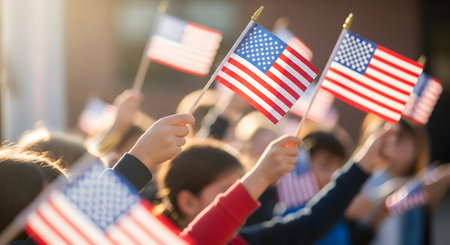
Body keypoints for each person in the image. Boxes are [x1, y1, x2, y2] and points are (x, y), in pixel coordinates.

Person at [346, 116, 430, 245]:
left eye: (409, 141)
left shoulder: (419, 184)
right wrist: (394, 190)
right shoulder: (367, 177)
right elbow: (353, 214)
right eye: (398, 140)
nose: (405, 148)